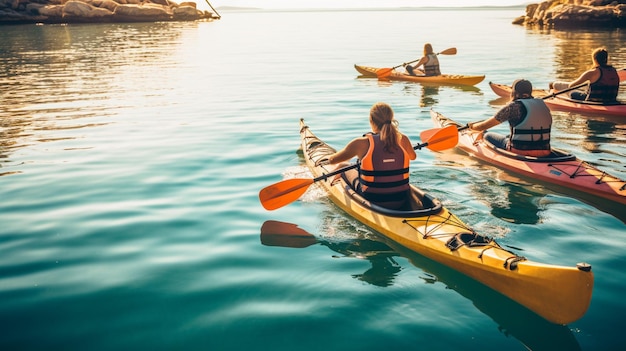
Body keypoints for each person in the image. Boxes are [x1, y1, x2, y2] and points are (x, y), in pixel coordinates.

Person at [326, 102, 417, 210]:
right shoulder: (403, 139)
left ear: (371, 121)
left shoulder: (361, 143)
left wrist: (330, 158)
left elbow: (332, 161)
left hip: (373, 199)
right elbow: (413, 157)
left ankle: (330, 186)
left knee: (343, 166)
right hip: (401, 198)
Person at [468, 79, 552, 157]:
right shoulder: (543, 105)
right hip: (545, 151)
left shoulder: (513, 107)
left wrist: (471, 126)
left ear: (514, 92)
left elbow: (483, 126)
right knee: (509, 136)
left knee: (487, 135)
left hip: (520, 151)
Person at [549, 47, 620, 103]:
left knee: (572, 92)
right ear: (606, 59)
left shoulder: (591, 73)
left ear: (595, 59)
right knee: (584, 88)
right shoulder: (614, 71)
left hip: (594, 101)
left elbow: (571, 86)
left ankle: (553, 86)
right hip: (611, 101)